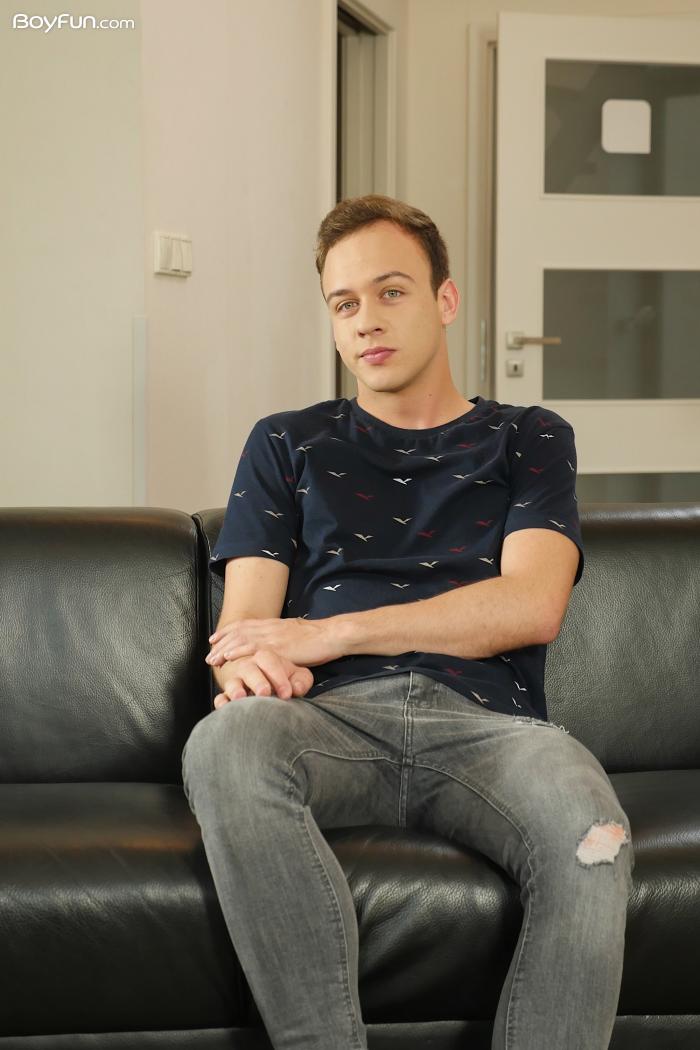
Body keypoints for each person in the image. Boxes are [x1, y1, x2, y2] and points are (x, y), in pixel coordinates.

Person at [181, 194, 634, 1050]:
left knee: (593, 833)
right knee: (224, 742)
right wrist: (249, 672)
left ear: (445, 299)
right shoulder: (285, 443)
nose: (366, 321)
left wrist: (329, 633)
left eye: (391, 292)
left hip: (493, 729)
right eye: (344, 303)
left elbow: (532, 604)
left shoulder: (530, 437)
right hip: (330, 721)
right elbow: (242, 628)